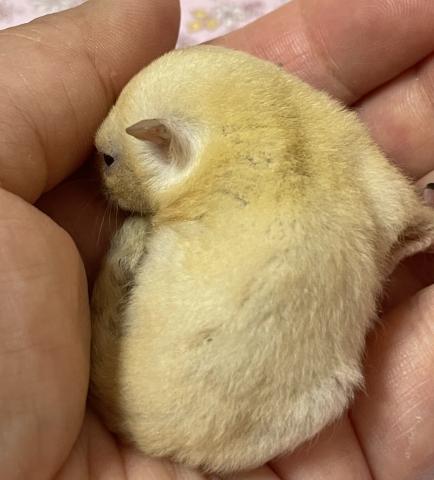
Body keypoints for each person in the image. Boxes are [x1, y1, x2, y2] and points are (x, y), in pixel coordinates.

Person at [1, 0, 433, 478]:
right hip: (287, 420)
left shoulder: (215, 183)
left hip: (215, 411)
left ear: (163, 142)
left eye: (111, 161)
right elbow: (398, 213)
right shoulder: (338, 138)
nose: (105, 180)